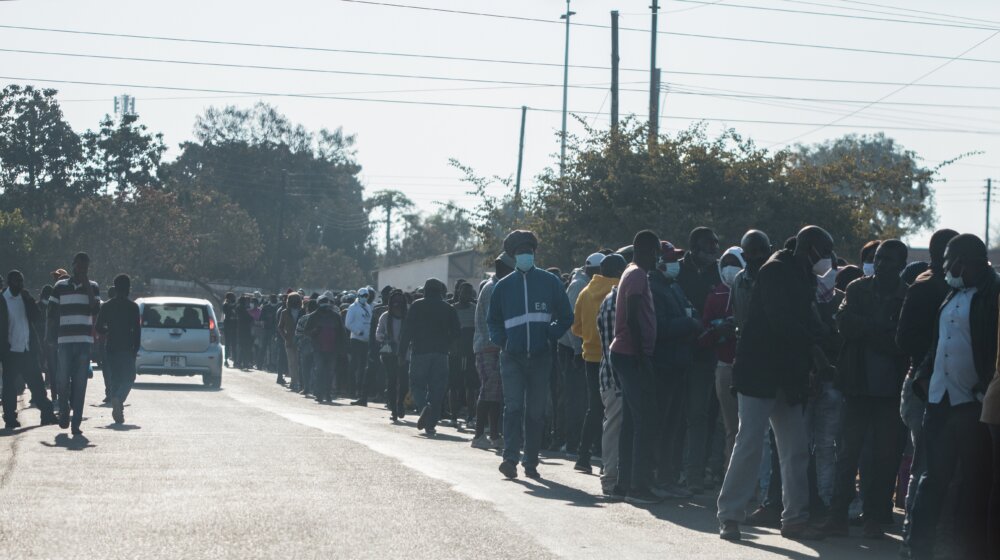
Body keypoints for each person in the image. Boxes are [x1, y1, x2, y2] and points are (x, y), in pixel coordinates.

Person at [717, 226, 834, 542]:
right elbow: (781, 320)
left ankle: (794, 519)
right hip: (759, 372)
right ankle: (729, 516)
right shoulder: (775, 271)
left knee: (795, 449)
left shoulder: (802, 274)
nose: (827, 259)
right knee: (749, 444)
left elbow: (806, 319)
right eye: (823, 251)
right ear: (809, 248)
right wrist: (815, 347)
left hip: (787, 375)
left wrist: (820, 340)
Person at [906, 234, 998, 560]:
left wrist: (984, 387)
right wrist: (922, 378)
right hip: (939, 402)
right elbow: (939, 343)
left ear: (963, 260)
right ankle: (917, 550)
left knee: (974, 484)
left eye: (947, 259)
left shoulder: (993, 294)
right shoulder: (951, 293)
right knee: (932, 480)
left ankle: (966, 551)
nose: (943, 266)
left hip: (973, 406)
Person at [821, 240, 909, 539]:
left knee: (882, 459)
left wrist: (867, 330)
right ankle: (837, 516)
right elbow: (844, 324)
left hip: (889, 393)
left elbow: (902, 343)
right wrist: (880, 327)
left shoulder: (906, 296)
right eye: (878, 258)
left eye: (888, 260)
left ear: (902, 264)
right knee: (847, 455)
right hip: (856, 386)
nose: (881, 264)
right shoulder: (858, 288)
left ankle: (874, 516)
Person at [488, 230, 573, 480]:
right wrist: (502, 341)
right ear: (514, 257)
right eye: (520, 252)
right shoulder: (503, 287)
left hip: (541, 357)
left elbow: (566, 316)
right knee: (513, 408)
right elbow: (492, 321)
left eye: (528, 251)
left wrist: (551, 334)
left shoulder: (550, 282)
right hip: (512, 357)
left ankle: (531, 462)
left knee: (535, 412)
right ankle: (510, 459)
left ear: (534, 253)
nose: (525, 255)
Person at [895, 229, 959, 539]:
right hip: (923, 385)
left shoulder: (951, 288)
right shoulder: (926, 288)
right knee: (925, 464)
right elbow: (904, 339)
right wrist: (928, 365)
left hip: (943, 385)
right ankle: (912, 535)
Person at [610, 230, 662, 504]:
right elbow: (631, 316)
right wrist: (643, 357)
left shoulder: (633, 272)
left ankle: (623, 483)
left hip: (629, 354)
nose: (658, 258)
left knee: (632, 421)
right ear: (644, 249)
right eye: (655, 251)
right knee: (645, 421)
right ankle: (638, 487)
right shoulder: (638, 274)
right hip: (632, 355)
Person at [648, 241, 701, 499]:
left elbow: (691, 312)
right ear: (659, 262)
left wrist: (692, 321)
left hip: (680, 363)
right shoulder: (653, 288)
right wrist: (689, 323)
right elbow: (661, 327)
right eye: (671, 259)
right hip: (663, 364)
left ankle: (668, 477)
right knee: (660, 424)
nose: (676, 264)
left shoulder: (674, 287)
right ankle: (656, 476)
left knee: (674, 425)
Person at [676, 227, 723, 493]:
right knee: (672, 416)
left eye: (716, 245)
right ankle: (668, 470)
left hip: (704, 355)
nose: (714, 250)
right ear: (694, 247)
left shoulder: (718, 273)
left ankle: (693, 473)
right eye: (708, 245)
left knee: (698, 416)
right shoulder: (677, 272)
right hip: (675, 353)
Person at [570, 252, 619, 473]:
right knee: (616, 409)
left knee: (595, 407)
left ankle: (583, 457)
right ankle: (608, 460)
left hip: (590, 356)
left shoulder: (585, 292)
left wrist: (590, 340)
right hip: (616, 357)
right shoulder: (620, 290)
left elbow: (576, 327)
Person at [700, 247, 745, 470]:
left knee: (748, 430)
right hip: (724, 366)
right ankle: (729, 476)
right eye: (725, 262)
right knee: (731, 429)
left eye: (734, 262)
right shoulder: (714, 295)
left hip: (748, 367)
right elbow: (704, 334)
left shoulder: (750, 290)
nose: (729, 267)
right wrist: (719, 331)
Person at [48, 252, 101, 435]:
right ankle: (64, 410)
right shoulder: (60, 286)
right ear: (73, 266)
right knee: (62, 380)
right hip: (64, 341)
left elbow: (95, 309)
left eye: (85, 267)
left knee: (80, 383)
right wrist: (50, 338)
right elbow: (52, 313)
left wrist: (86, 285)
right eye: (79, 266)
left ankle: (76, 422)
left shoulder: (93, 287)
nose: (82, 269)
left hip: (84, 342)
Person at [399, 278, 460, 436]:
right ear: (440, 291)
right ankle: (431, 424)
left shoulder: (417, 305)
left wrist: (401, 352)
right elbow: (456, 332)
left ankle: (423, 406)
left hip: (420, 352)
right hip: (441, 354)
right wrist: (450, 346)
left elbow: (407, 331)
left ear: (425, 291)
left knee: (417, 385)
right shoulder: (449, 308)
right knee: (437, 390)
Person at [1, 270, 57, 429]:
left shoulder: (25, 298)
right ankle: (10, 419)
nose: (19, 284)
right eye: (16, 281)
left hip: (27, 350)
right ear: (8, 282)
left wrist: (29, 300)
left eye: (21, 281)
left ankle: (47, 414)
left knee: (37, 385)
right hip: (10, 352)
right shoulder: (2, 300)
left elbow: (37, 317)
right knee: (10, 389)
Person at [470, 253, 515, 450]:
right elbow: (493, 320)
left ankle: (495, 435)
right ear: (501, 267)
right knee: (488, 391)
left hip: (497, 347)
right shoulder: (491, 288)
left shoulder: (500, 286)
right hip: (487, 346)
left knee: (495, 393)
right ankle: (479, 435)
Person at [557, 256, 598, 456]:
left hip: (580, 349)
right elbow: (572, 324)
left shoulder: (588, 284)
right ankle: (571, 442)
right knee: (575, 398)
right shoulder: (578, 285)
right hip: (571, 349)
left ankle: (578, 441)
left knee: (583, 399)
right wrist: (576, 351)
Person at [596, 253, 628, 497]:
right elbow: (613, 348)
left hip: (612, 374)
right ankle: (610, 479)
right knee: (614, 427)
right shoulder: (614, 302)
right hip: (615, 376)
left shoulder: (613, 299)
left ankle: (614, 477)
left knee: (616, 426)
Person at [94, 274, 141, 424]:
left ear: (115, 288)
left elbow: (98, 328)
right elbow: (137, 330)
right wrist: (136, 349)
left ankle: (117, 405)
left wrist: (108, 331)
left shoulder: (107, 306)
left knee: (115, 378)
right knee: (129, 378)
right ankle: (118, 399)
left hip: (111, 347)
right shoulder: (133, 307)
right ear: (128, 289)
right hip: (127, 347)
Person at [304, 295, 348, 404]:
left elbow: (342, 333)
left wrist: (343, 348)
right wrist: (315, 331)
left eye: (326, 302)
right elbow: (306, 331)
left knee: (330, 372)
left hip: (333, 349)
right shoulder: (314, 316)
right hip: (318, 348)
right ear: (319, 304)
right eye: (322, 302)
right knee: (319, 371)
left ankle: (327, 394)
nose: (325, 305)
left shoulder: (335, 316)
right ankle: (319, 394)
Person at [447, 282, 479, 428]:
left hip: (471, 351)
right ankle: (453, 416)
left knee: (470, 386)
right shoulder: (452, 309)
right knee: (454, 385)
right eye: (464, 292)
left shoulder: (475, 309)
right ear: (459, 292)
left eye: (469, 292)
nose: (466, 295)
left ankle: (471, 416)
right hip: (455, 351)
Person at [376, 290, 409, 422]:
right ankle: (394, 410)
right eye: (394, 301)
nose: (397, 304)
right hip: (389, 353)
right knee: (392, 381)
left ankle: (400, 402)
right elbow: (378, 334)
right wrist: (386, 338)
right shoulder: (385, 316)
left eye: (400, 301)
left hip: (405, 353)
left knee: (404, 382)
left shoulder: (408, 316)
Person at [346, 287, 373, 401]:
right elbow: (348, 323)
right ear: (358, 296)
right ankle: (351, 390)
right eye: (362, 296)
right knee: (354, 365)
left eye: (366, 296)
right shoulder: (353, 308)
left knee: (363, 366)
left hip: (366, 340)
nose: (364, 298)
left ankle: (360, 390)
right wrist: (358, 331)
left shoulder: (368, 307)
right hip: (356, 339)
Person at [278, 293, 304, 390]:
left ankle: (300, 382)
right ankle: (294, 382)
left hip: (301, 341)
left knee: (300, 363)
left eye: (295, 300)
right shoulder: (284, 312)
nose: (294, 302)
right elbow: (280, 327)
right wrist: (285, 337)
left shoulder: (303, 311)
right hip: (289, 341)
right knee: (292, 362)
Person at [222, 292, 237, 368]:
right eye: (232, 297)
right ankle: (226, 359)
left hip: (234, 326)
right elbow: (226, 312)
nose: (234, 299)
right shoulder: (225, 305)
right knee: (227, 344)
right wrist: (232, 306)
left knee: (234, 344)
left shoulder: (235, 305)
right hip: (228, 326)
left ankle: (235, 360)